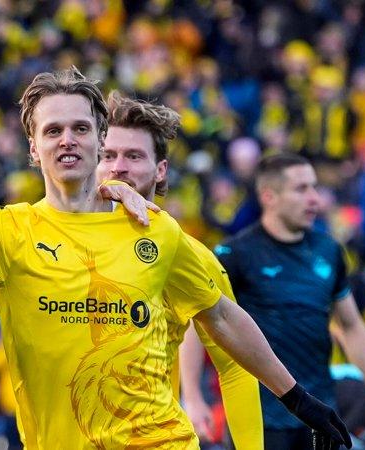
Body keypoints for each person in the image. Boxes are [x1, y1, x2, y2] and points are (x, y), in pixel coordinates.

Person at [0, 69, 351, 449]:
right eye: (52, 130)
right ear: (33, 146)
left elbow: (221, 316)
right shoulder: (5, 234)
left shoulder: (155, 228)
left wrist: (298, 399)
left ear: (100, 138)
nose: (66, 139)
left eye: (79, 127)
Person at [95, 91, 263, 450]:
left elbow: (235, 367)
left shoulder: (193, 257)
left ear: (161, 170)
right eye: (107, 155)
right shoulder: (50, 239)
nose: (117, 167)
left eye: (134, 156)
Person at [214, 152, 365, 450]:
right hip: (259, 416)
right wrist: (195, 398)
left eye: (314, 187)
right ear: (269, 197)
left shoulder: (329, 250)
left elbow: (351, 325)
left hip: (321, 415)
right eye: (301, 189)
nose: (315, 198)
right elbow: (201, 322)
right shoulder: (235, 254)